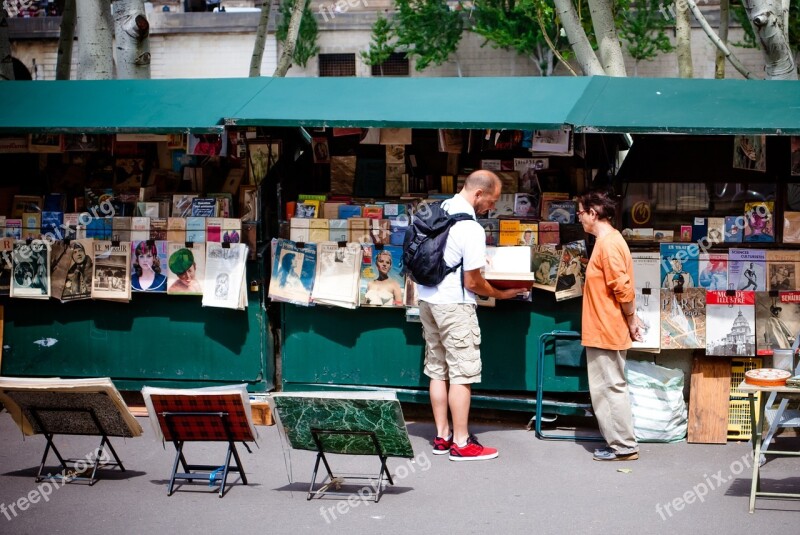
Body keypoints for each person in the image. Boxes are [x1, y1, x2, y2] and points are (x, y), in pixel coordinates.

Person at [417, 170, 528, 461]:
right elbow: (473, 283)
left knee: (437, 369)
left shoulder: (439, 209)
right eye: (490, 201)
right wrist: (501, 294)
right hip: (455, 305)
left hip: (428, 300)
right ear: (478, 194)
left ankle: (442, 437)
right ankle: (463, 443)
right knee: (462, 374)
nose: (491, 207)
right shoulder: (471, 228)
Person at [576, 189, 642, 462]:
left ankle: (624, 446)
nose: (579, 219)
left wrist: (631, 319)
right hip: (603, 326)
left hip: (606, 327)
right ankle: (621, 443)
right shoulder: (608, 242)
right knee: (608, 387)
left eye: (580, 213)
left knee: (609, 387)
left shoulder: (608, 244)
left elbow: (623, 289)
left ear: (593, 213)